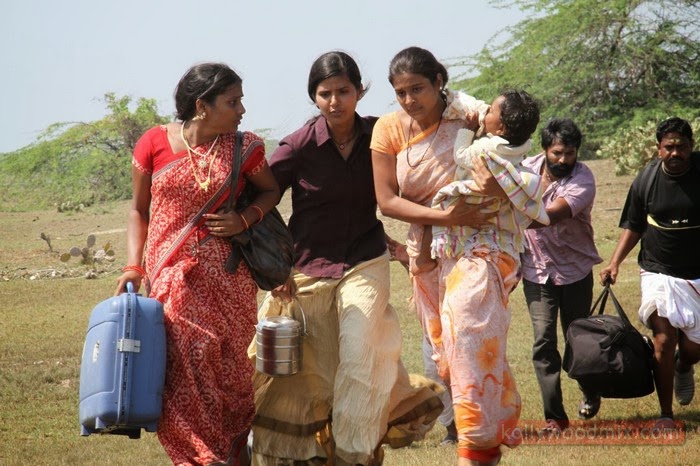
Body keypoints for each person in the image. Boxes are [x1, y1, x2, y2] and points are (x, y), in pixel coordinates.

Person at [249, 51, 443, 466]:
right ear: (314, 97)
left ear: (359, 91)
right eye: (325, 94)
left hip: (365, 260)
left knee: (359, 354)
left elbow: (429, 136)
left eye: (343, 91)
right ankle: (313, 449)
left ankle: (355, 454)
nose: (335, 101)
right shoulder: (298, 146)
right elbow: (261, 198)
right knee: (314, 371)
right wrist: (275, 266)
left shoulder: (381, 134)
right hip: (308, 266)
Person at [371, 46, 540, 466]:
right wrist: (445, 217)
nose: (409, 100)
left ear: (438, 82)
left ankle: (475, 445)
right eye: (401, 92)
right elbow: (387, 201)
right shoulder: (388, 129)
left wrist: (498, 185)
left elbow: (512, 142)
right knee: (446, 357)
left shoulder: (469, 113)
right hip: (428, 251)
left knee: (468, 334)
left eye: (418, 89)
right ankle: (492, 428)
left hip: (480, 244)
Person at [114, 62, 281, 466]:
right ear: (202, 106)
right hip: (172, 276)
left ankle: (233, 454)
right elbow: (138, 210)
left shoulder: (246, 148)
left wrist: (244, 219)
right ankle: (201, 458)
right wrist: (133, 267)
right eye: (232, 102)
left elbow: (270, 192)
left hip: (230, 280)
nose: (242, 110)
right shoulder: (153, 142)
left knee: (233, 375)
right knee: (188, 362)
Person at [600, 117, 700, 429]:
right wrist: (614, 262)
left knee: (693, 348)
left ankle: (684, 365)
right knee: (664, 339)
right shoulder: (647, 179)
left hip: (697, 274)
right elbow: (633, 225)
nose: (675, 153)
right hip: (658, 270)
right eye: (669, 147)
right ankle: (666, 415)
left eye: (681, 147)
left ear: (691, 147)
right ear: (658, 149)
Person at [519, 118, 603, 434]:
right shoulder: (524, 170)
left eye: (570, 153)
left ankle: (590, 390)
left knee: (578, 340)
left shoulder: (583, 179)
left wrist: (502, 220)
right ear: (545, 149)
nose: (563, 160)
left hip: (575, 270)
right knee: (543, 340)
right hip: (536, 271)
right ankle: (555, 418)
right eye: (557, 153)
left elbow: (550, 216)